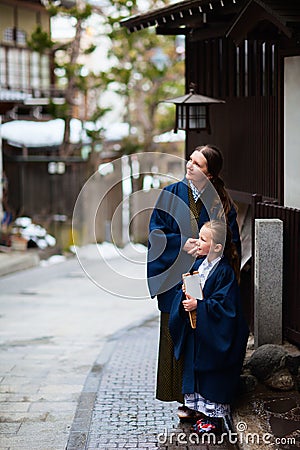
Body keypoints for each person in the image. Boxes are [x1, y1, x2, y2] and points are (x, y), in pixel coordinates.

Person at [147, 145, 241, 418]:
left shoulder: (220, 203)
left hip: (207, 279)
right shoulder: (171, 194)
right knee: (176, 333)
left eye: (197, 164)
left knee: (200, 335)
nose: (189, 165)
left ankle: (203, 398)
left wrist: (208, 248)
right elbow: (155, 234)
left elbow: (230, 241)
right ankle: (184, 398)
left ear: (210, 175)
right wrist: (179, 244)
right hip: (176, 276)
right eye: (190, 160)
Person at [168, 220, 249, 434]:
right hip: (199, 332)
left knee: (212, 375)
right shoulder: (198, 265)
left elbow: (226, 307)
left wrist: (200, 306)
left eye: (203, 239)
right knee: (197, 372)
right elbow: (186, 290)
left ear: (217, 247)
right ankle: (199, 411)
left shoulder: (224, 272)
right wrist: (184, 298)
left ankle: (213, 419)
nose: (197, 242)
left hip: (213, 333)